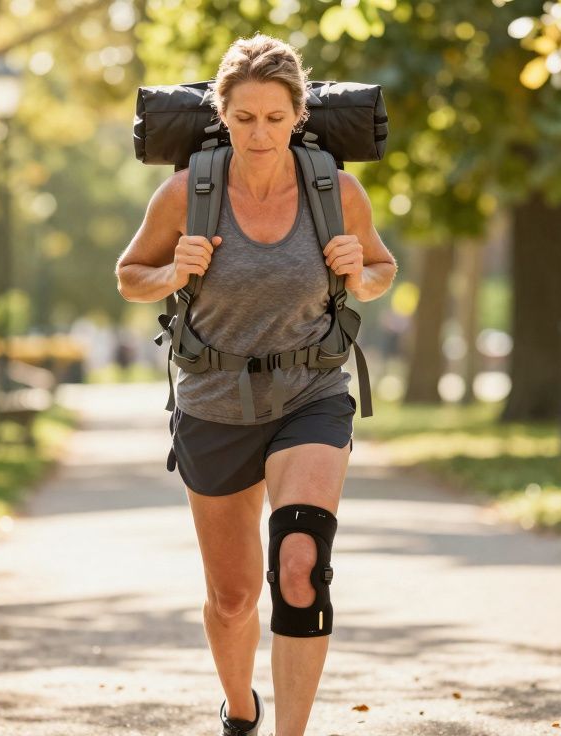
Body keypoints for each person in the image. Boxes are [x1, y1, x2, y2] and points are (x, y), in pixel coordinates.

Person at [116, 34, 397, 735]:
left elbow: (383, 268)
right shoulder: (188, 192)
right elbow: (129, 276)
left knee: (300, 565)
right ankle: (240, 710)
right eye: (245, 118)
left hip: (311, 394)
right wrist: (171, 273)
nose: (261, 133)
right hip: (214, 403)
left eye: (275, 117)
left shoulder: (336, 190)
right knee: (235, 598)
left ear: (299, 115)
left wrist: (357, 270)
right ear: (223, 114)